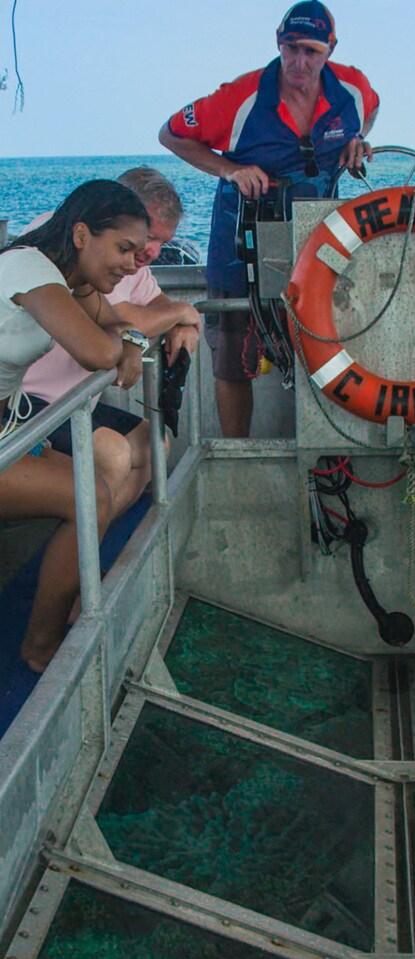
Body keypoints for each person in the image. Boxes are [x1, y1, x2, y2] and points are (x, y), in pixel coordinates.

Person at [158, 0, 379, 438]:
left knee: (327, 348)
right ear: (278, 43)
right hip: (241, 239)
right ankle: (237, 459)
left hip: (318, 239)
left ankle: (327, 448)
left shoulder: (353, 89)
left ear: (330, 50)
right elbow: (171, 133)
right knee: (233, 360)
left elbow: (370, 111)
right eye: (291, 48)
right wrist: (229, 169)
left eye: (311, 51)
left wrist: (356, 139)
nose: (299, 62)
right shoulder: (239, 97)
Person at [1, 180, 150, 671]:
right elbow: (97, 351)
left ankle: (57, 618)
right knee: (88, 500)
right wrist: (126, 347)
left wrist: (129, 337)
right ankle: (39, 648)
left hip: (9, 430)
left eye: (139, 252)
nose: (132, 264)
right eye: (124, 248)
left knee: (93, 495)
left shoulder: (64, 281)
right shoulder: (29, 269)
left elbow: (114, 320)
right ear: (82, 234)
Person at [22, 167, 201, 518]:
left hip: (75, 403)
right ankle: (77, 558)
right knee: (114, 456)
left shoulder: (128, 259)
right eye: (148, 237)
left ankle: (94, 551)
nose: (150, 251)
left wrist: (184, 324)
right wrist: (181, 312)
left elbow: (149, 309)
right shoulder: (62, 244)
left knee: (156, 445)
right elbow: (115, 326)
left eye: (161, 242)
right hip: (30, 403)